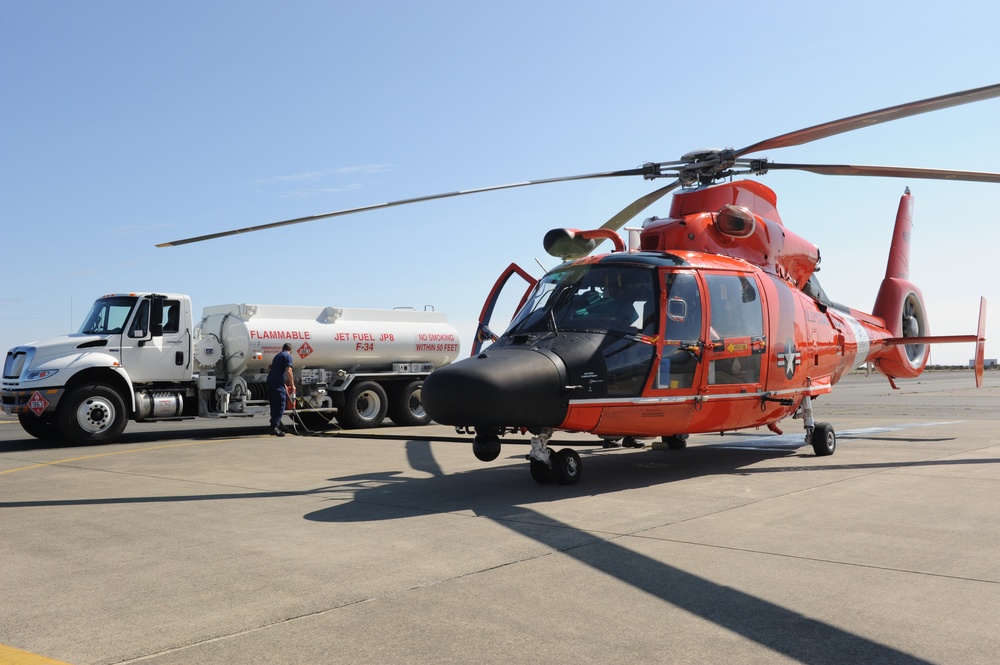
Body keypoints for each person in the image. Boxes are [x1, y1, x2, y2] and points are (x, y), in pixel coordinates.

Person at [267, 342, 294, 436]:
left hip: (271, 382)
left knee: (274, 404)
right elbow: (289, 370)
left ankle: (274, 425)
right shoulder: (287, 356)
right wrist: (292, 385)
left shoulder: (278, 356)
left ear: (282, 349)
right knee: (281, 403)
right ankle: (274, 426)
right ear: (290, 350)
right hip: (277, 383)